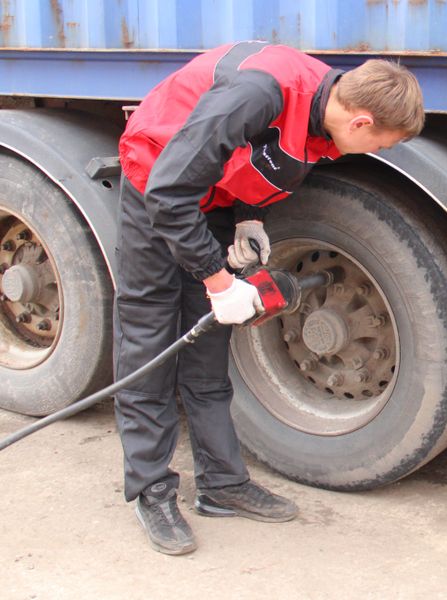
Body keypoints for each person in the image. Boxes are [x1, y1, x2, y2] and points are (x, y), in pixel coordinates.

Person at [114, 40, 424, 555]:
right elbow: (168, 192)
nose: (376, 152)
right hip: (156, 186)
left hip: (206, 194)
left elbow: (255, 155)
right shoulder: (259, 93)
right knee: (150, 342)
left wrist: (247, 217)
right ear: (362, 122)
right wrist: (217, 280)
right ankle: (152, 490)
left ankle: (221, 484)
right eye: (381, 143)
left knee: (208, 347)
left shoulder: (328, 102)